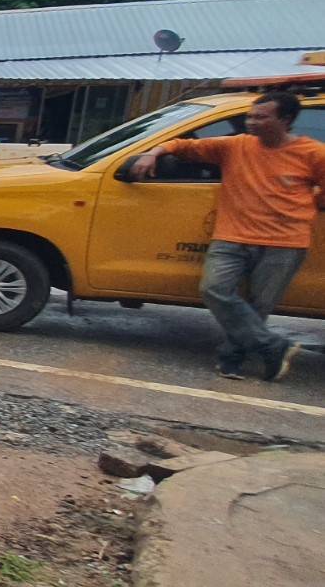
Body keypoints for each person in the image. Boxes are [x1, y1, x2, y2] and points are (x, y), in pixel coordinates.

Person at [129, 91, 325, 381]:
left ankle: (232, 359)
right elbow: (182, 144)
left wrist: (309, 205)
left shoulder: (313, 153)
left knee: (259, 307)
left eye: (261, 117)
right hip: (232, 236)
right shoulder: (235, 146)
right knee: (214, 289)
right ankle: (274, 347)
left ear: (286, 120)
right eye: (250, 116)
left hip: (285, 242)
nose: (251, 122)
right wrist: (152, 153)